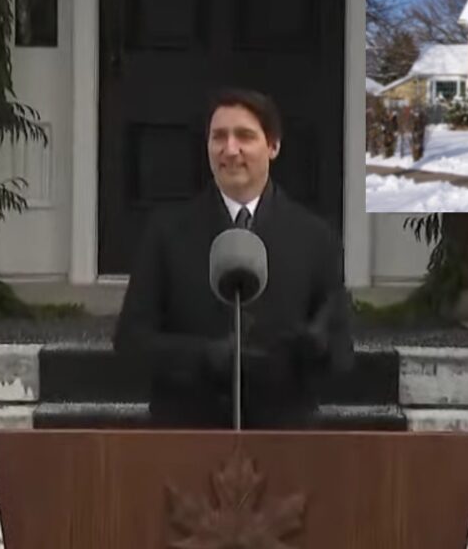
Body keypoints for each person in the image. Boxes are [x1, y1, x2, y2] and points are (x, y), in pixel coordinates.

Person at [113, 88, 355, 429]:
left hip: (283, 438)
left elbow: (341, 354)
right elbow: (131, 342)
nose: (230, 150)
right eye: (218, 137)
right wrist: (205, 357)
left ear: (273, 146)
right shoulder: (167, 231)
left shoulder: (315, 237)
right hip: (186, 434)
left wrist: (316, 348)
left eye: (244, 136)